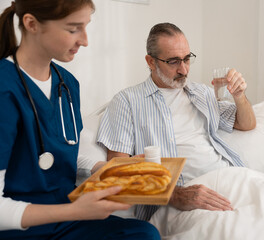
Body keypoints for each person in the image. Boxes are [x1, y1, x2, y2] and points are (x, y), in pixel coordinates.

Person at [0, 1, 160, 239]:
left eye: (86, 27)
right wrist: (74, 210)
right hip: (19, 227)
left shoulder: (67, 84)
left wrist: (108, 169)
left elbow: (64, 153)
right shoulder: (5, 88)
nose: (85, 40)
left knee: (144, 233)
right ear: (31, 24)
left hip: (66, 219)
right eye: (74, 29)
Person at [97, 22, 256, 220]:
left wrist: (239, 96)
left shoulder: (202, 93)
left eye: (187, 59)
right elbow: (117, 169)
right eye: (173, 61)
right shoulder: (127, 101)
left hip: (232, 179)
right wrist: (175, 195)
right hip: (181, 200)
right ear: (151, 61)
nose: (183, 69)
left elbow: (246, 123)